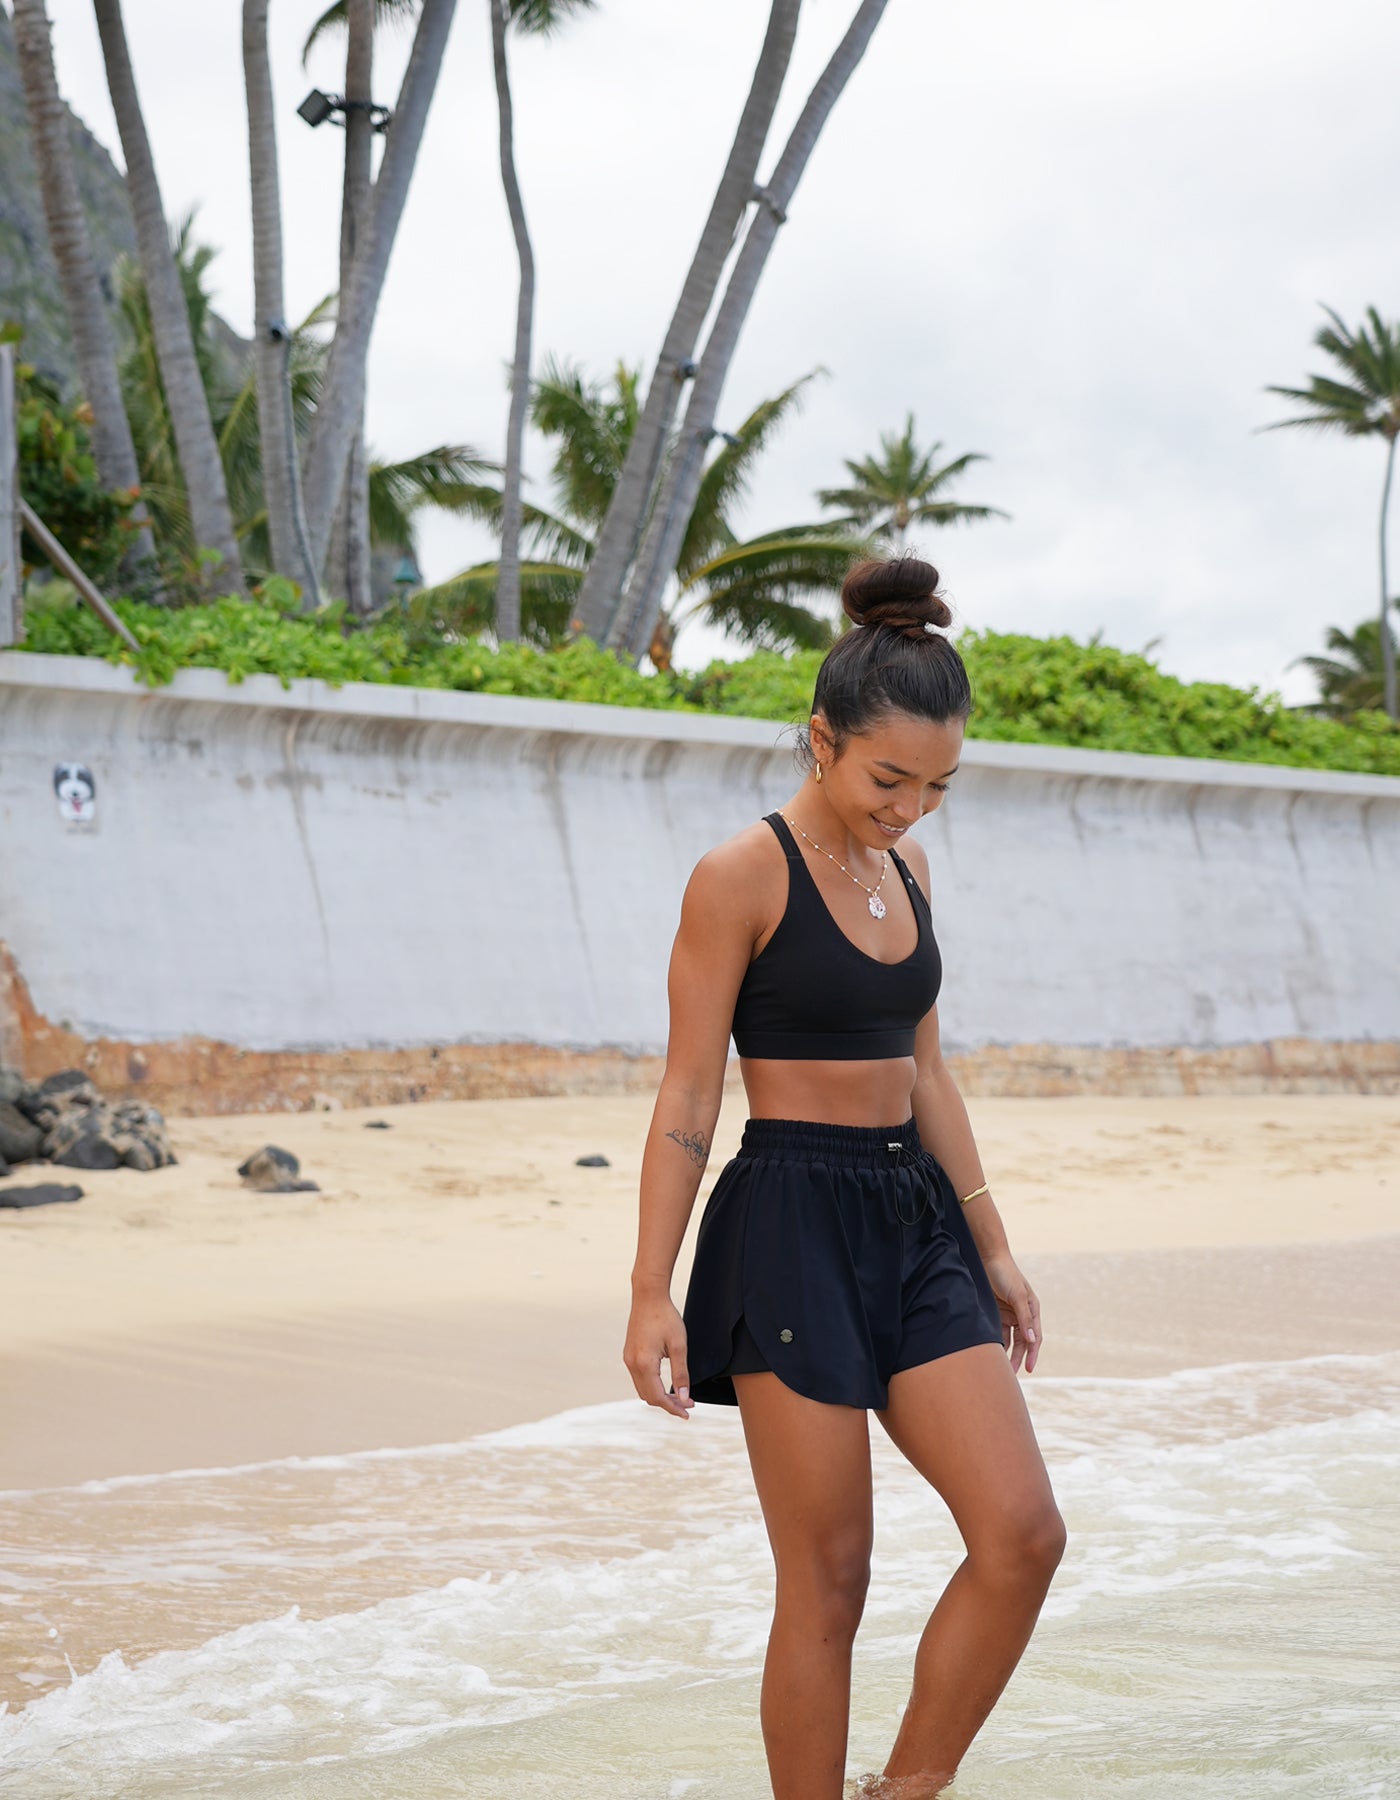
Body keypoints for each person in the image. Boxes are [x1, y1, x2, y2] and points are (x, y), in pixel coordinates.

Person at [623, 554, 1065, 1799]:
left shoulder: (907, 873)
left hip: (911, 1217)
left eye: (936, 787)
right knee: (828, 1578)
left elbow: (926, 1073)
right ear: (820, 740)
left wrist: (991, 1246)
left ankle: (905, 1789)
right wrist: (650, 1290)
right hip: (789, 1225)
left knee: (1021, 1534)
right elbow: (688, 1095)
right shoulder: (739, 876)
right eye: (887, 779)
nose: (910, 809)